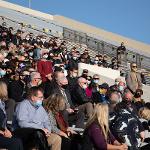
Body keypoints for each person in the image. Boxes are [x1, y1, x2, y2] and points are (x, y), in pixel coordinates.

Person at [0, 81, 23, 150]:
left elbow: (3, 122)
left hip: (3, 131)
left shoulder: (2, 103)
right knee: (16, 142)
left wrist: (7, 130)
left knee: (20, 137)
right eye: (6, 89)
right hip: (1, 133)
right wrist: (3, 132)